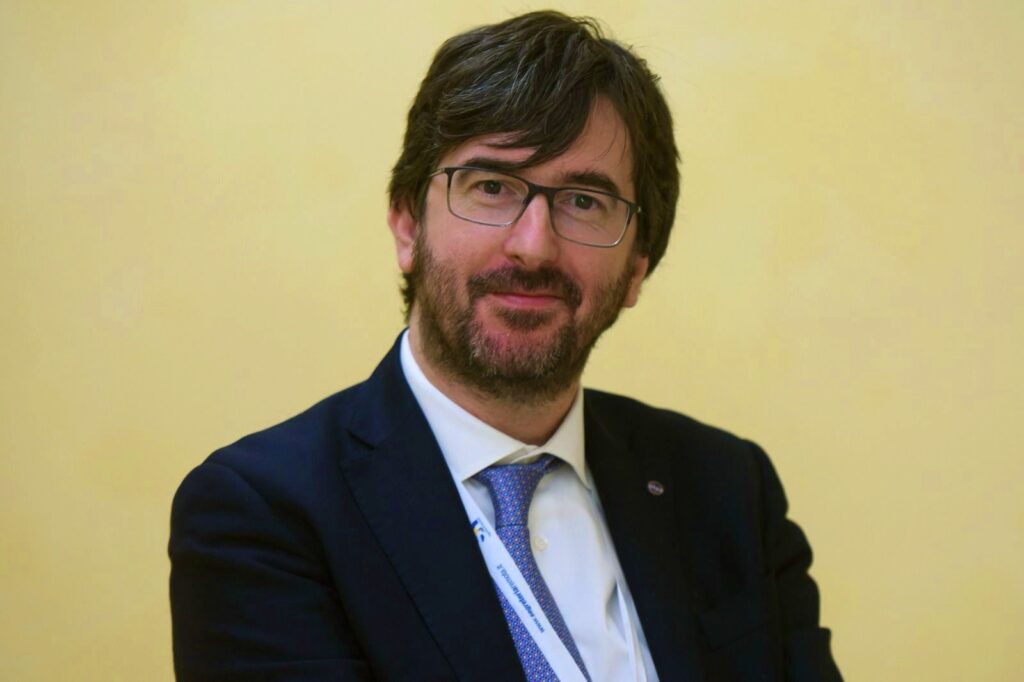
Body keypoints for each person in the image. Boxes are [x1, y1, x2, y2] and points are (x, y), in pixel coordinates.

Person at [169, 11, 843, 682]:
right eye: (491, 187)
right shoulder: (263, 515)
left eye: (584, 201)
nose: (533, 246)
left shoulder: (729, 490)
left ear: (638, 266)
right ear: (407, 226)